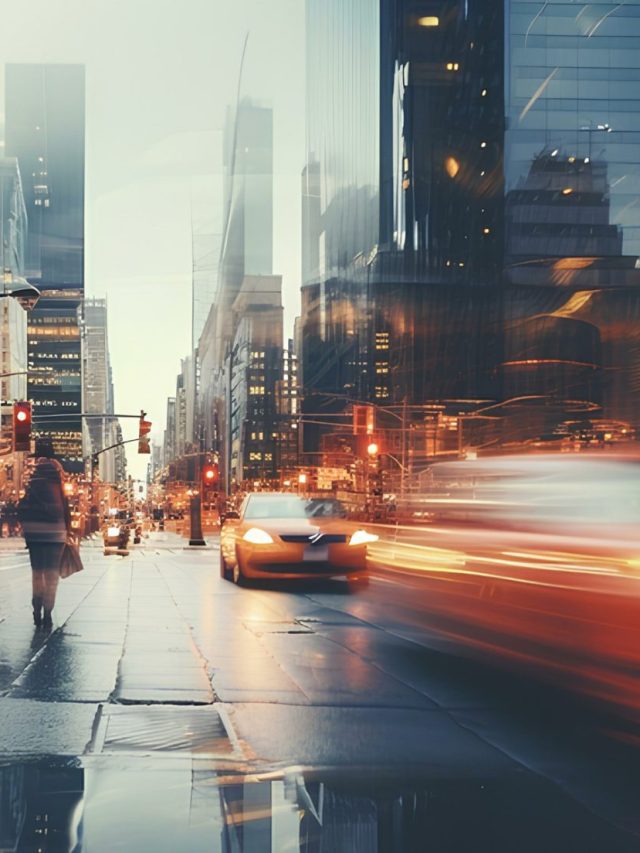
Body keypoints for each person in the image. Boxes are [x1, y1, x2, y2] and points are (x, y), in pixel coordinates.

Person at [18, 438, 71, 629]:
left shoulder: (30, 472)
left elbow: (23, 502)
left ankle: (36, 610)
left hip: (34, 531)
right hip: (55, 531)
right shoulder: (59, 472)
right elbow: (64, 502)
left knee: (37, 572)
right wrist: (68, 526)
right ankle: (48, 613)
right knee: (51, 575)